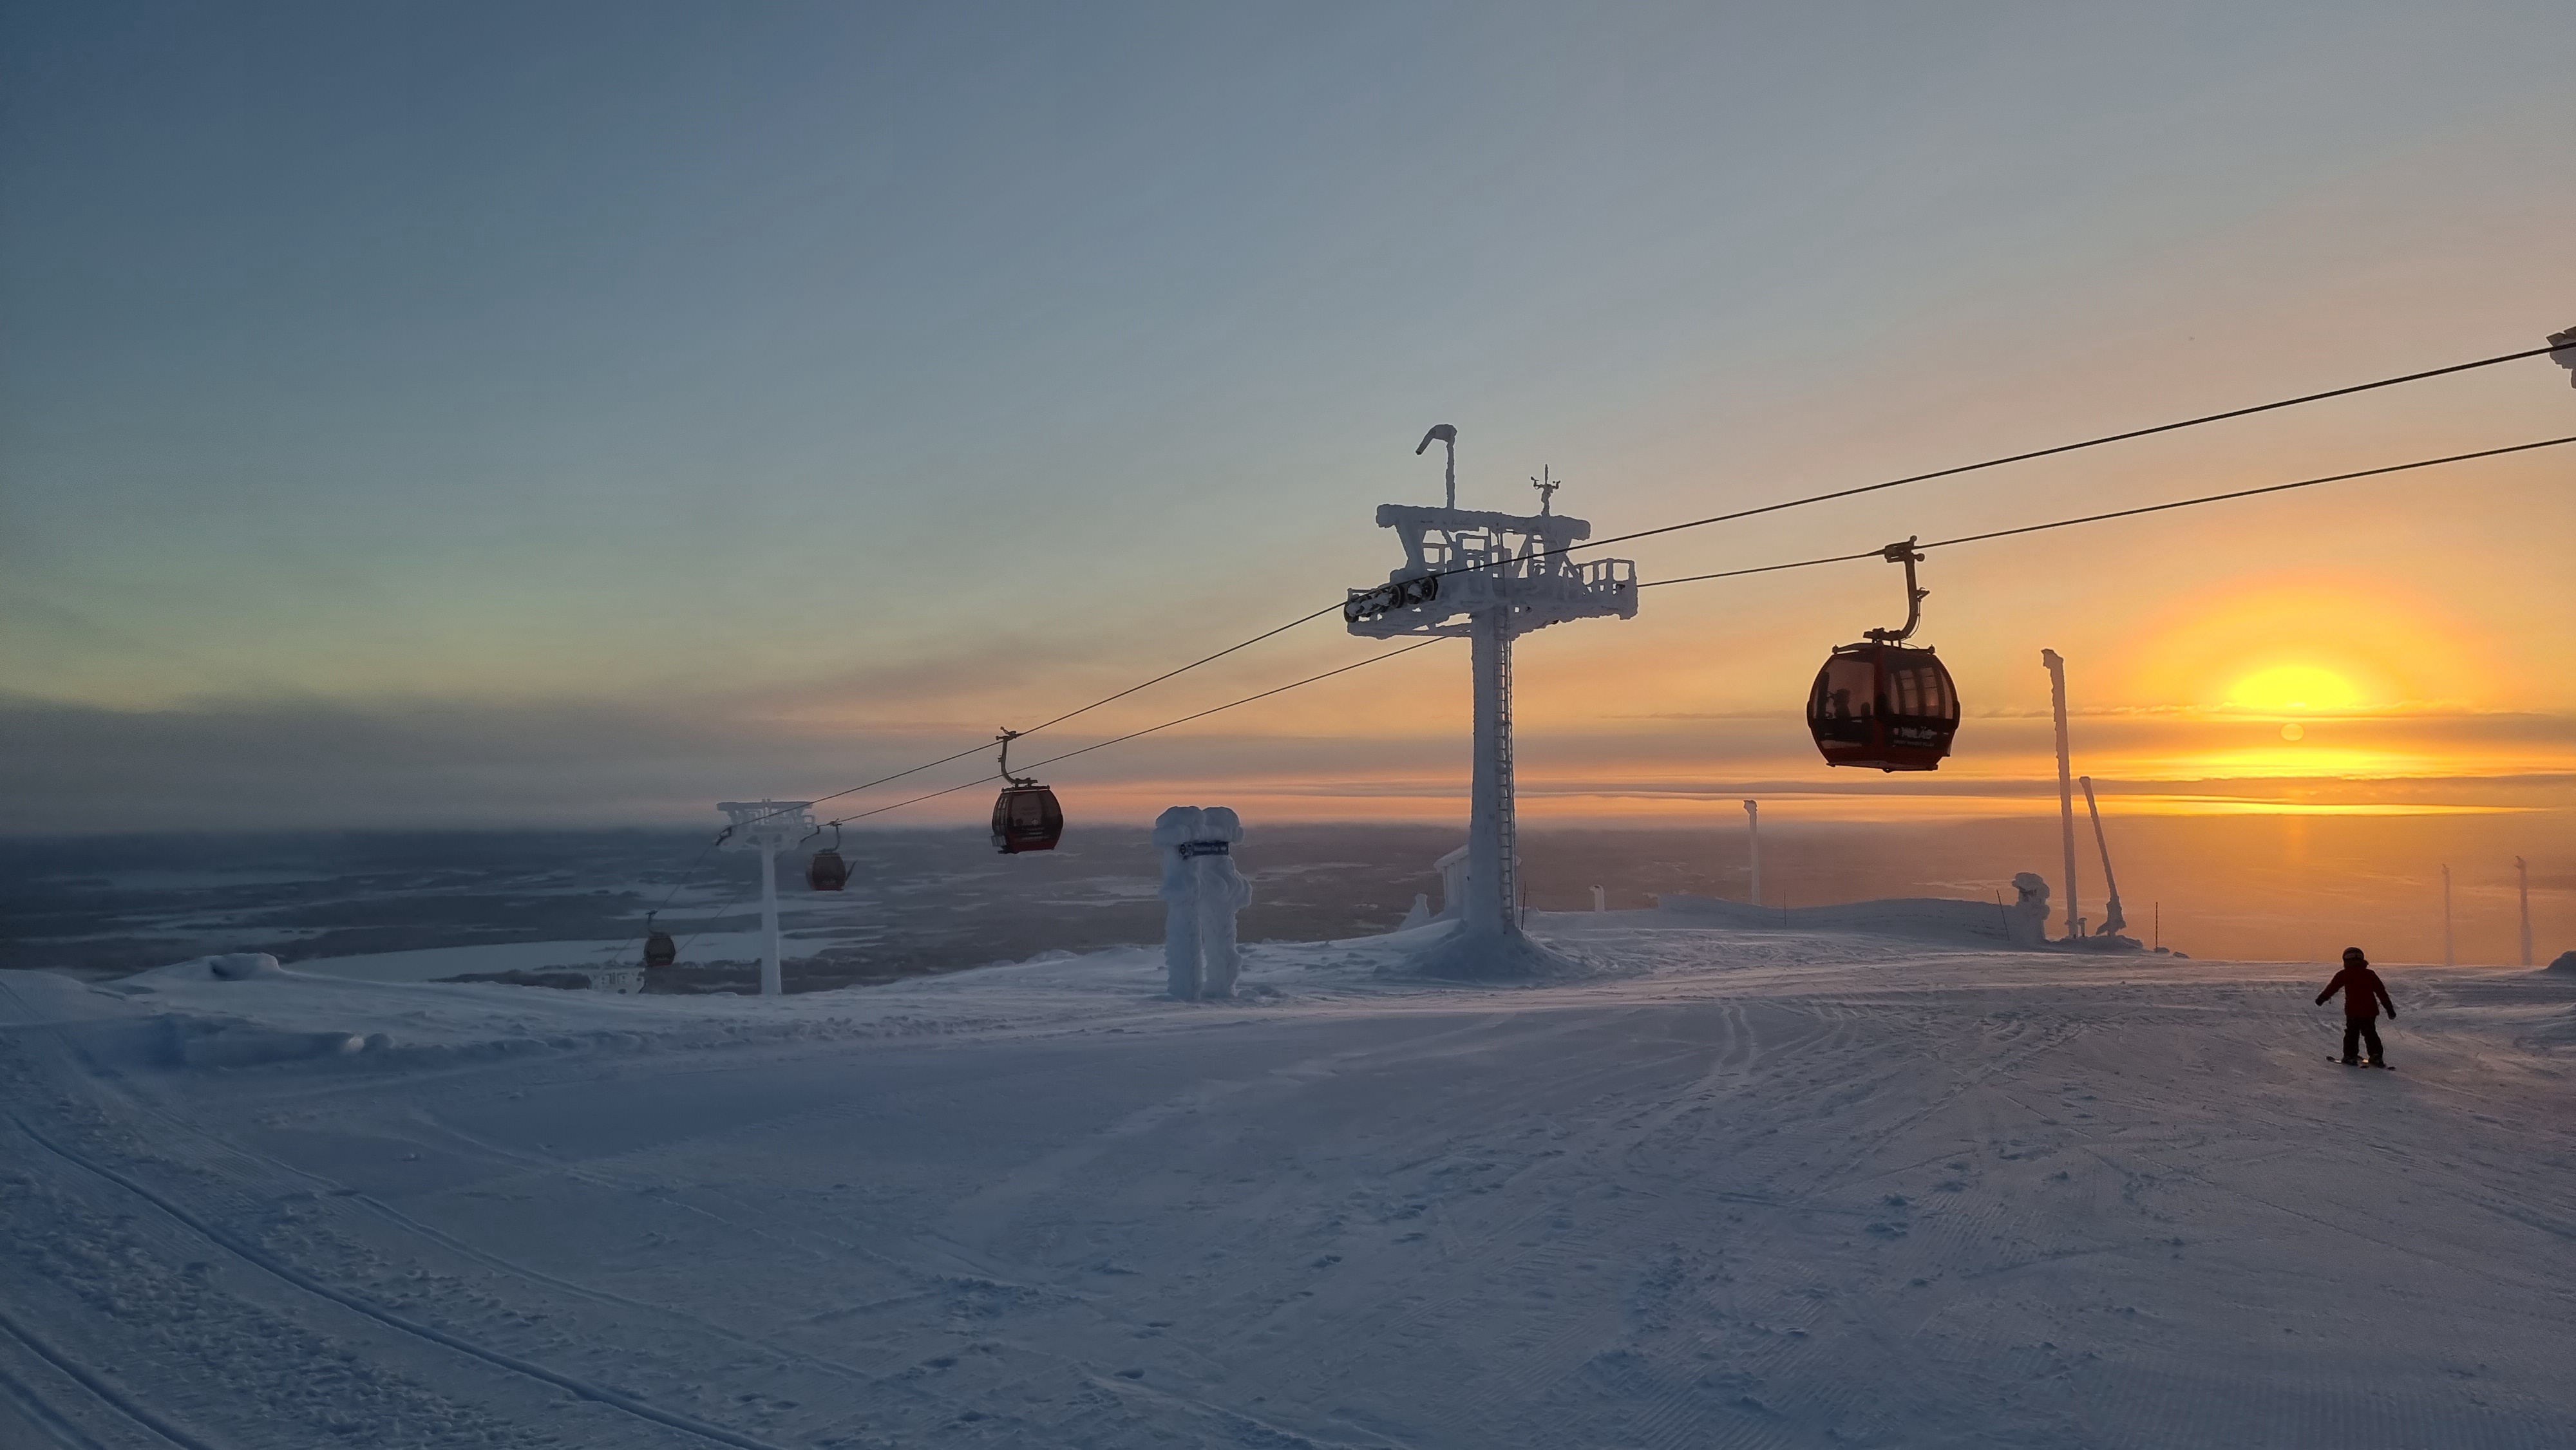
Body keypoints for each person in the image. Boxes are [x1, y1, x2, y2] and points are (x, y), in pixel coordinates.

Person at [2315, 946, 2396, 1066]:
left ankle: (2350, 1056)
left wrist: (2322, 998)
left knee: (2352, 1034)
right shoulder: (2369, 974)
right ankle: (2376, 1056)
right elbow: (2381, 992)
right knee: (2370, 1033)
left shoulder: (2344, 974)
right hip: (2370, 1011)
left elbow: (2332, 988)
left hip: (2353, 1011)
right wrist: (2389, 1008)